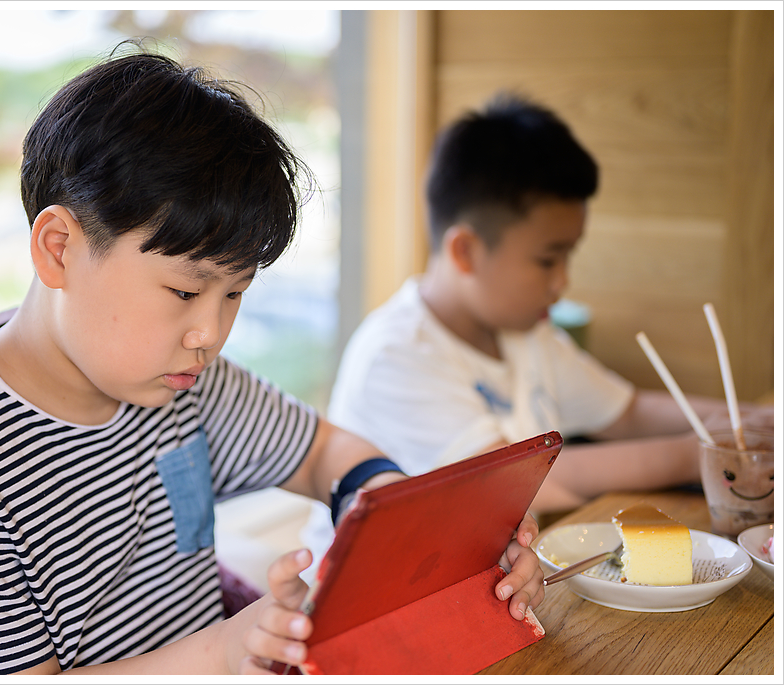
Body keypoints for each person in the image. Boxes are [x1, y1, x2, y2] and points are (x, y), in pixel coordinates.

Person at [0, 49, 544, 676]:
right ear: (59, 248)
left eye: (235, 294)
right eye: (186, 293)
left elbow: (324, 454)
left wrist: (413, 533)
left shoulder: (181, 380)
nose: (210, 334)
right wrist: (221, 652)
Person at [301, 92, 773, 569]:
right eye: (548, 259)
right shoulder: (398, 356)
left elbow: (626, 411)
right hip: (364, 592)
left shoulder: (524, 332)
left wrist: (750, 421)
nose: (563, 281)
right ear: (465, 251)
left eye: (569, 256)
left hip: (481, 575)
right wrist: (700, 455)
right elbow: (522, 483)